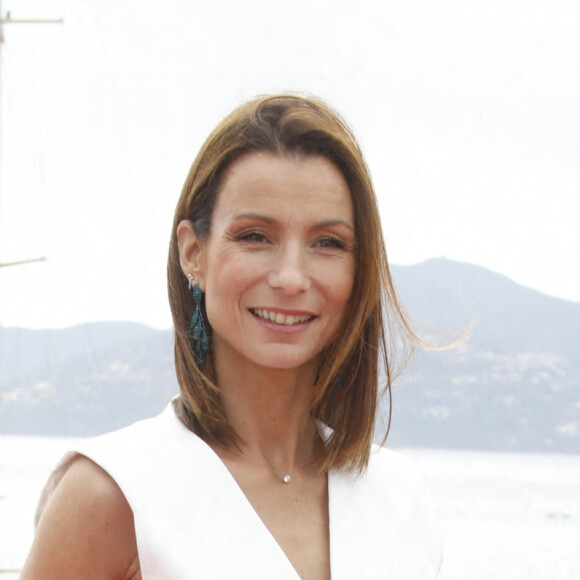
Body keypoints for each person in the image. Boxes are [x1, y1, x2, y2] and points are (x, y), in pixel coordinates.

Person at [20, 94, 442, 579]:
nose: (290, 277)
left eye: (327, 243)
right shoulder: (112, 494)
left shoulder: (402, 500)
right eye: (255, 236)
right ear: (192, 253)